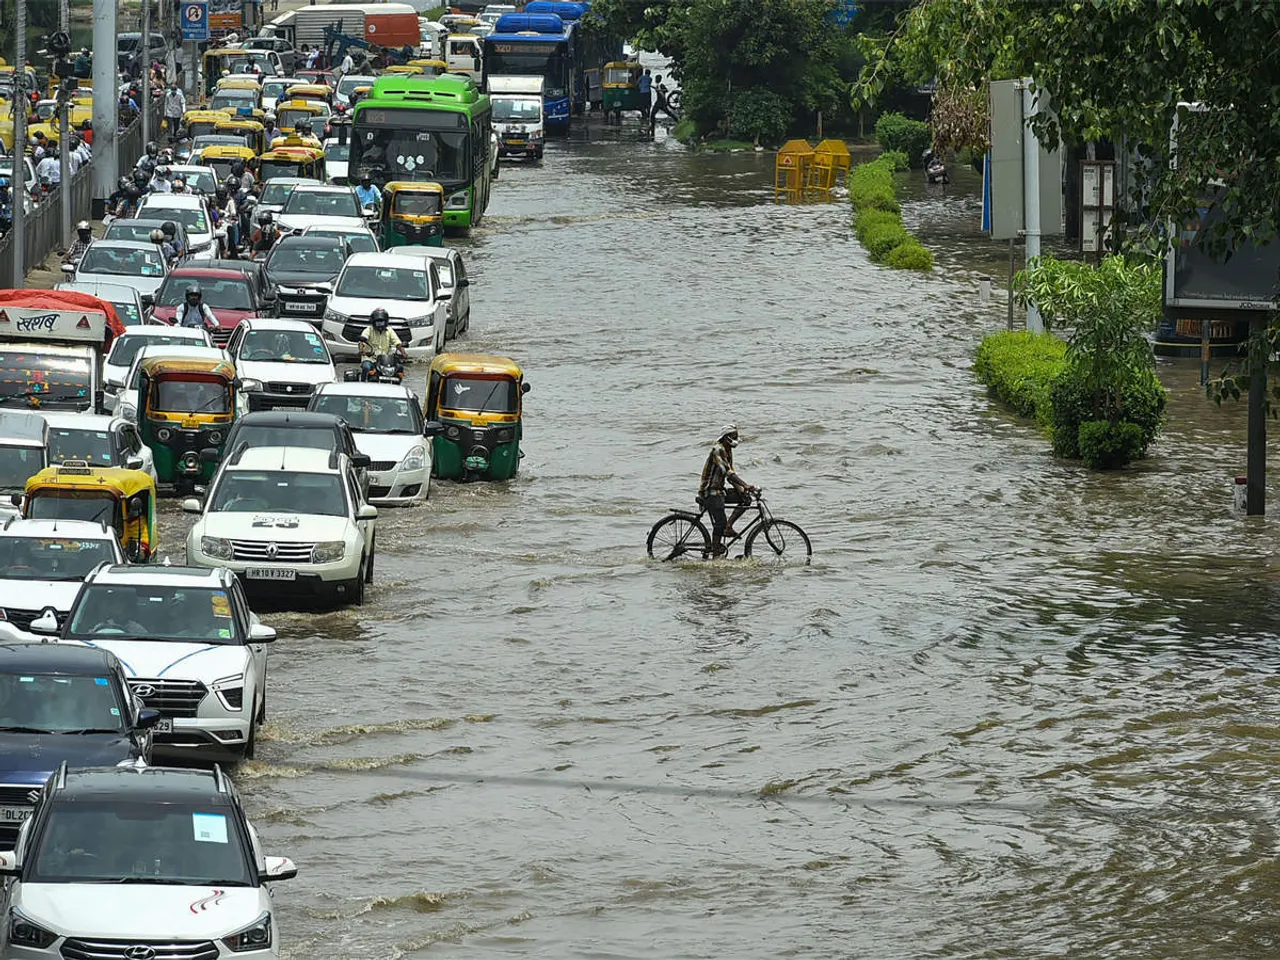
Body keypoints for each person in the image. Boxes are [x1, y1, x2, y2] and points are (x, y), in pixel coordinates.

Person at [697, 424, 758, 557]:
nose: (736, 440)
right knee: (720, 522)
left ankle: (728, 527)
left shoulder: (728, 450)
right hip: (710, 491)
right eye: (734, 437)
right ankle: (715, 555)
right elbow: (728, 472)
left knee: (745, 499)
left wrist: (743, 490)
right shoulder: (718, 450)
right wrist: (745, 484)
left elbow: (730, 477)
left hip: (720, 490)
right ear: (726, 438)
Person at [358, 308, 405, 380]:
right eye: (378, 322)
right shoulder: (368, 330)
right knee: (366, 367)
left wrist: (403, 353)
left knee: (399, 368)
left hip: (385, 360)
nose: (380, 325)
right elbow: (362, 341)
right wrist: (362, 350)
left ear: (386, 322)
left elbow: (397, 343)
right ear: (373, 322)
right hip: (370, 359)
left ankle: (397, 386)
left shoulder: (390, 331)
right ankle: (363, 383)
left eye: (382, 322)